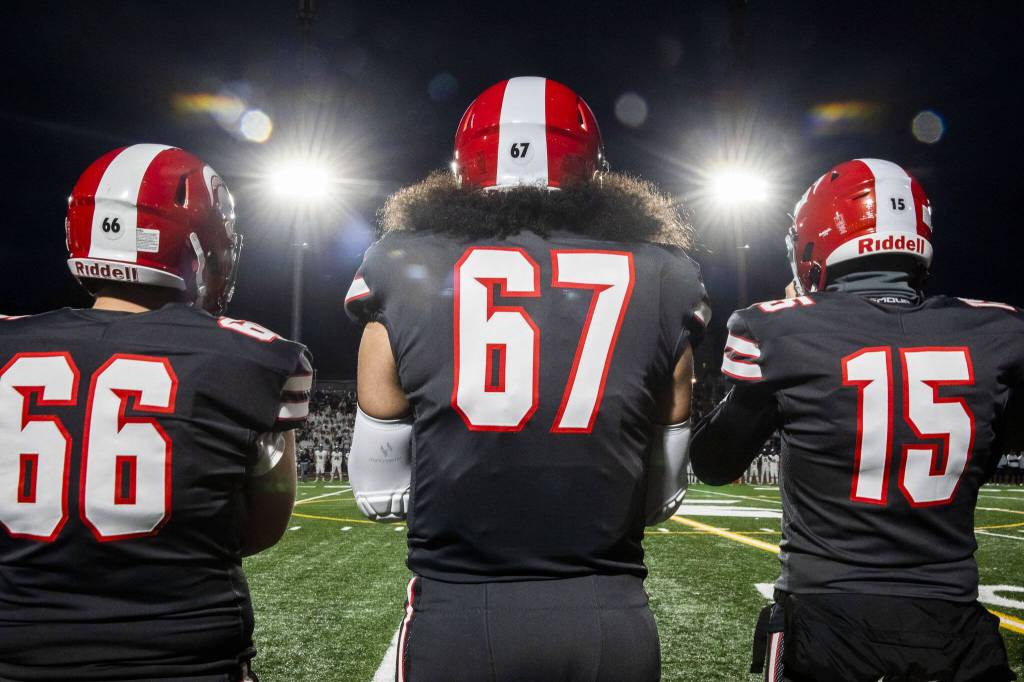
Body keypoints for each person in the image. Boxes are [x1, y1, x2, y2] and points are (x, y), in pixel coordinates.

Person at [344, 77, 709, 681]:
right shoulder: (668, 277)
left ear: (463, 166)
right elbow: (661, 500)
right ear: (591, 168)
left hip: (458, 612)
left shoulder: (400, 263)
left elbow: (376, 493)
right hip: (609, 616)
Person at [690, 159, 1018, 681]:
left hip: (828, 620)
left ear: (815, 243)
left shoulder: (782, 329)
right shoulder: (999, 332)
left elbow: (711, 462)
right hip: (954, 624)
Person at [0, 145, 311, 681]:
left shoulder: (9, 340)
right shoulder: (254, 358)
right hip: (187, 659)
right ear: (198, 245)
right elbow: (262, 528)